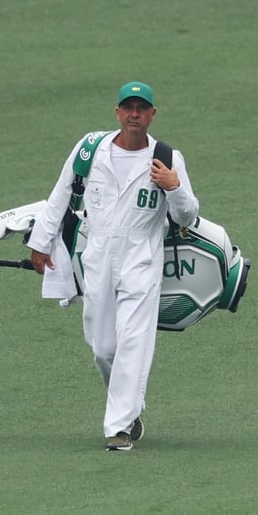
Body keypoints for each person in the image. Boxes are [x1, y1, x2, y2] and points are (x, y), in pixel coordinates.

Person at [26, 82, 199, 451]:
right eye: (128, 107)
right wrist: (40, 244)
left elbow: (187, 216)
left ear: (153, 114)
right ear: (118, 112)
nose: (134, 114)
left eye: (142, 108)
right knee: (103, 346)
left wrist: (174, 186)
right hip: (98, 253)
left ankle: (118, 428)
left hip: (142, 256)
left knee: (134, 340)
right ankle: (130, 408)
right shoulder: (90, 149)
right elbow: (60, 194)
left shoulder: (168, 157)